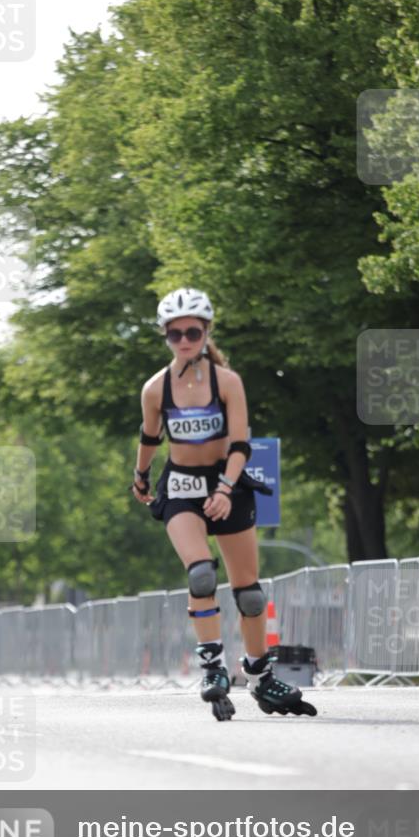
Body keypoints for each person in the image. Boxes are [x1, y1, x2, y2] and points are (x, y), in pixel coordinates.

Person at [130, 287, 317, 721]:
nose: (183, 340)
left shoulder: (227, 382)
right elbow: (150, 435)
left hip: (225, 483)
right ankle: (212, 666)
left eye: (191, 331)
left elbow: (239, 444)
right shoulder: (155, 388)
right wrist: (141, 475)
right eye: (174, 334)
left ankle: (260, 676)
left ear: (206, 330)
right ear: (165, 336)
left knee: (249, 595)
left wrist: (225, 489)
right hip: (180, 486)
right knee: (200, 573)